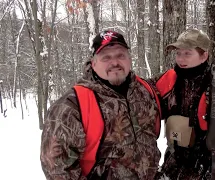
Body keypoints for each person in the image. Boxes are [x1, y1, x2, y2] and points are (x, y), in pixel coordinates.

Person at [40, 30, 162, 180]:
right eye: (106, 57)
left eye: (120, 55)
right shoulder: (72, 105)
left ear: (129, 59)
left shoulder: (145, 90)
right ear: (94, 63)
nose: (115, 62)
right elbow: (56, 168)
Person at [148, 29, 215, 180]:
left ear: (204, 55)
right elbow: (142, 92)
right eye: (178, 53)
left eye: (187, 53)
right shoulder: (168, 80)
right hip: (177, 157)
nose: (180, 59)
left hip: (214, 162)